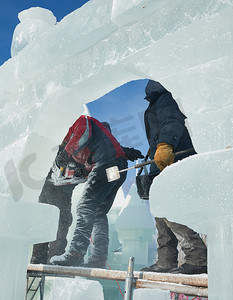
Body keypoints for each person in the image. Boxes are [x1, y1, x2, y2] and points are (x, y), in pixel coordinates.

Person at [31, 117, 143, 267]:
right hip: (117, 169)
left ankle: (76, 254)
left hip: (107, 165)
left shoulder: (81, 123)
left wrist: (65, 155)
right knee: (98, 212)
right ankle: (98, 258)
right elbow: (106, 147)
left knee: (85, 207)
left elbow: (83, 134)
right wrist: (127, 152)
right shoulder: (100, 142)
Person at [140, 80, 207, 274]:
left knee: (170, 211)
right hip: (162, 165)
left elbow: (172, 121)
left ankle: (197, 257)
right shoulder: (157, 102)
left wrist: (166, 144)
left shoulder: (165, 99)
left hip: (173, 163)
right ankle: (165, 261)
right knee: (161, 216)